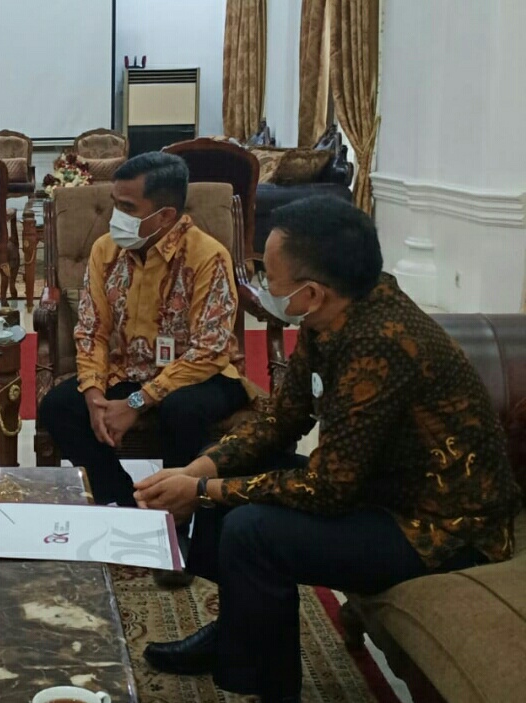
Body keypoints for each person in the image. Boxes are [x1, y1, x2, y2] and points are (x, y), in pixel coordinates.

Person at [136, 196, 522, 702]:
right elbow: (282, 418)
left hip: (440, 529)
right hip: (383, 489)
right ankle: (236, 630)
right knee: (229, 466)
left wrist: (204, 491)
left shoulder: (379, 344)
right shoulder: (337, 313)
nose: (262, 289)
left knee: (252, 530)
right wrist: (198, 469)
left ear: (312, 293)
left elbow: (328, 489)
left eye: (269, 279)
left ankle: (274, 691)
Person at [39, 152, 254, 507]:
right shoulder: (105, 250)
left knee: (181, 410)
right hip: (129, 370)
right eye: (114, 204)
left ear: (165, 215)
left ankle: (178, 506)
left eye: (127, 208)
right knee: (59, 406)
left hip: (202, 377)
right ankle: (128, 503)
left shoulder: (208, 256)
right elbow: (91, 330)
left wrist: (136, 403)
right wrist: (94, 395)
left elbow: (208, 351)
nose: (115, 217)